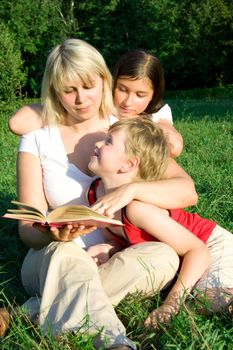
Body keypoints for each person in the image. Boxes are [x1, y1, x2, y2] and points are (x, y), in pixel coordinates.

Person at [1, 38, 198, 348]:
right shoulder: (36, 139)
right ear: (55, 91)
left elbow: (185, 190)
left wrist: (132, 188)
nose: (81, 99)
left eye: (89, 86)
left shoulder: (123, 129)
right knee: (67, 256)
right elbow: (28, 229)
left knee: (163, 255)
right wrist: (54, 235)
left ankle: (31, 310)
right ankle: (112, 342)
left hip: (118, 255)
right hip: (53, 257)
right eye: (69, 90)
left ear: (104, 81)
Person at [87, 117, 233, 328]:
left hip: (211, 247)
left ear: (129, 163)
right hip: (185, 254)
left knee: (205, 303)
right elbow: (128, 238)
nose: (98, 144)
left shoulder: (137, 208)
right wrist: (109, 248)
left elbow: (197, 251)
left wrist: (171, 304)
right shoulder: (96, 193)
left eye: (108, 141)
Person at [8, 50, 182, 158]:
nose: (128, 102)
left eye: (140, 94)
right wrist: (64, 110)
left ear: (153, 95)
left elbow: (174, 148)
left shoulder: (154, 118)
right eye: (122, 89)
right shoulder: (96, 108)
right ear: (111, 83)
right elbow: (17, 124)